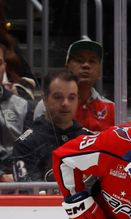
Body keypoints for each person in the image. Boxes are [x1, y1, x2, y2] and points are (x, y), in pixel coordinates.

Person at [11, 70, 91, 183]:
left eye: (71, 97)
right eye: (58, 97)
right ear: (44, 99)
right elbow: (28, 193)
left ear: (78, 99)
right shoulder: (25, 144)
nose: (65, 103)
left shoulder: (91, 141)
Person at [34, 39, 114, 133]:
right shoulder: (47, 105)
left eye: (92, 61)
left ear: (100, 72)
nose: (86, 65)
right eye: (80, 60)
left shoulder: (111, 108)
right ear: (67, 68)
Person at [0, 44, 32, 182]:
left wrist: (19, 176)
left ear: (4, 67)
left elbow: (29, 150)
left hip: (16, 180)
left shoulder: (22, 106)